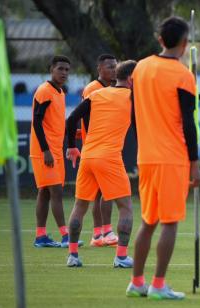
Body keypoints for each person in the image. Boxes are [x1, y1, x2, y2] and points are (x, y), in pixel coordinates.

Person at [126, 16, 200, 300]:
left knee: (148, 222)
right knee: (169, 222)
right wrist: (195, 165)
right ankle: (158, 284)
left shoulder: (140, 68)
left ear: (160, 39)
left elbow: (135, 112)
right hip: (171, 157)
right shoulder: (183, 74)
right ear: (185, 43)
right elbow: (188, 123)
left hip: (147, 156)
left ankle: (137, 282)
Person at [64, 60, 137, 268]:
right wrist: (198, 97)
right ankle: (121, 257)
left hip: (87, 156)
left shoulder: (96, 94)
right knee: (126, 208)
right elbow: (165, 98)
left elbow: (71, 120)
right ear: (132, 78)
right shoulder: (132, 96)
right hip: (109, 157)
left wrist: (71, 146)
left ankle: (73, 256)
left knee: (79, 206)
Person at [30, 55, 80, 248]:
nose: (64, 73)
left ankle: (41, 236)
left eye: (67, 70)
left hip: (55, 150)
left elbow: (54, 122)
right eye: (60, 69)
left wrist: (69, 133)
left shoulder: (59, 92)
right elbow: (37, 122)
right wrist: (45, 150)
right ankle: (65, 235)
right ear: (51, 69)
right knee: (56, 191)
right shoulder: (45, 91)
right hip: (46, 151)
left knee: (45, 192)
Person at [80, 54, 119, 248]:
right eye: (110, 67)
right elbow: (86, 118)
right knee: (103, 193)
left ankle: (99, 234)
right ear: (99, 69)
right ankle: (104, 232)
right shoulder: (92, 89)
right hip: (96, 148)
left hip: (106, 147)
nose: (114, 70)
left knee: (102, 193)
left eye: (116, 67)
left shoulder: (113, 88)